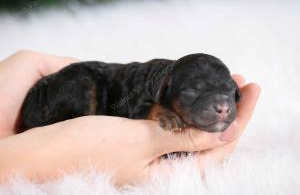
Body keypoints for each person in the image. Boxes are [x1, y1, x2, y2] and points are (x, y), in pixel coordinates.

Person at [0, 50, 261, 186]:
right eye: (193, 92)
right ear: (165, 88)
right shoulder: (147, 90)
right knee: (81, 87)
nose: (222, 106)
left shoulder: (166, 80)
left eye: (228, 92)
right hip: (72, 85)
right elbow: (137, 109)